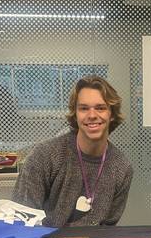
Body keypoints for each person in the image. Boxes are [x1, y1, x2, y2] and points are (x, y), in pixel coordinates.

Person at [13, 75, 133, 227]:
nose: (92, 115)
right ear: (75, 115)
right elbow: (21, 220)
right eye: (84, 108)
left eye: (100, 108)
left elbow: (107, 228)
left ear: (112, 114)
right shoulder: (44, 156)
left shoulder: (121, 168)